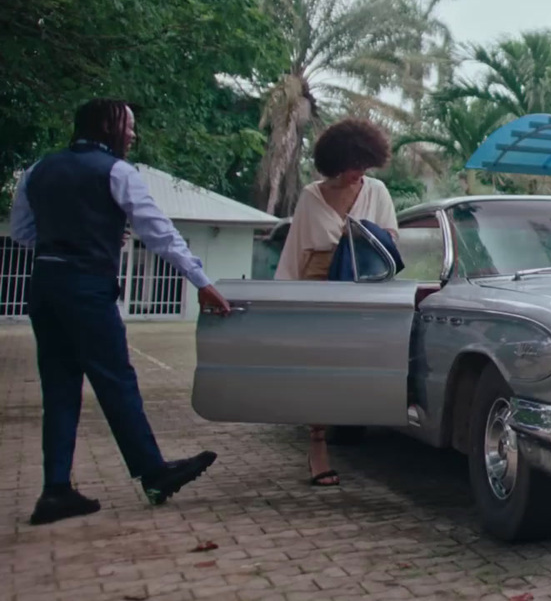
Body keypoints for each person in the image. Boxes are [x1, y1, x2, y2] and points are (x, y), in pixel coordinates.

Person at [9, 99, 231, 526]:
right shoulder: (116, 171)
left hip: (45, 286)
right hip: (86, 287)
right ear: (108, 126)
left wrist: (71, 237)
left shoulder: (38, 170)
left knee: (59, 388)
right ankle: (153, 472)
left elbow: (21, 232)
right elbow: (159, 233)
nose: (133, 135)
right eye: (129, 126)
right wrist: (201, 281)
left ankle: (55, 491)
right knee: (115, 379)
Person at [274, 117, 398, 486]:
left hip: (361, 285)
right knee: (318, 366)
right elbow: (296, 247)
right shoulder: (312, 195)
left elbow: (391, 240)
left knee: (357, 365)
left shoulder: (376, 192)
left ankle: (358, 429)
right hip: (317, 284)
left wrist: (360, 235)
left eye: (363, 166)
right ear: (334, 163)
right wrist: (283, 299)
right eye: (350, 167)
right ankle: (317, 448)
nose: (356, 174)